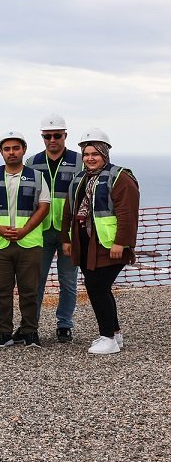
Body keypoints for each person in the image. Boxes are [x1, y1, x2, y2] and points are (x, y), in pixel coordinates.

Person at [62, 129, 139, 355]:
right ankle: (114, 335)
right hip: (87, 244)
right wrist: (65, 239)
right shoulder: (80, 178)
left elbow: (127, 213)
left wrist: (121, 243)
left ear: (105, 153)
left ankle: (108, 338)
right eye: (86, 154)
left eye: (95, 153)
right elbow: (69, 211)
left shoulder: (120, 177)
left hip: (109, 245)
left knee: (97, 287)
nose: (90, 158)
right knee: (99, 288)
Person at [0, 131, 51, 348]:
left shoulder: (37, 176)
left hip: (29, 243)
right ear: (1, 152)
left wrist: (25, 230)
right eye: (7, 149)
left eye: (15, 148)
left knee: (30, 290)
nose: (11, 152)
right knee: (1, 291)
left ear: (23, 150)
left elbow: (44, 206)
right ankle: (2, 332)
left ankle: (30, 332)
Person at [29, 114, 81, 343]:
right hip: (40, 231)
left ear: (65, 136)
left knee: (68, 281)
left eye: (57, 135)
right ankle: (32, 325)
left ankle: (64, 325)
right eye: (47, 136)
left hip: (69, 231)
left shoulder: (79, 161)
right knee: (35, 282)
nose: (52, 140)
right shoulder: (32, 162)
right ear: (42, 137)